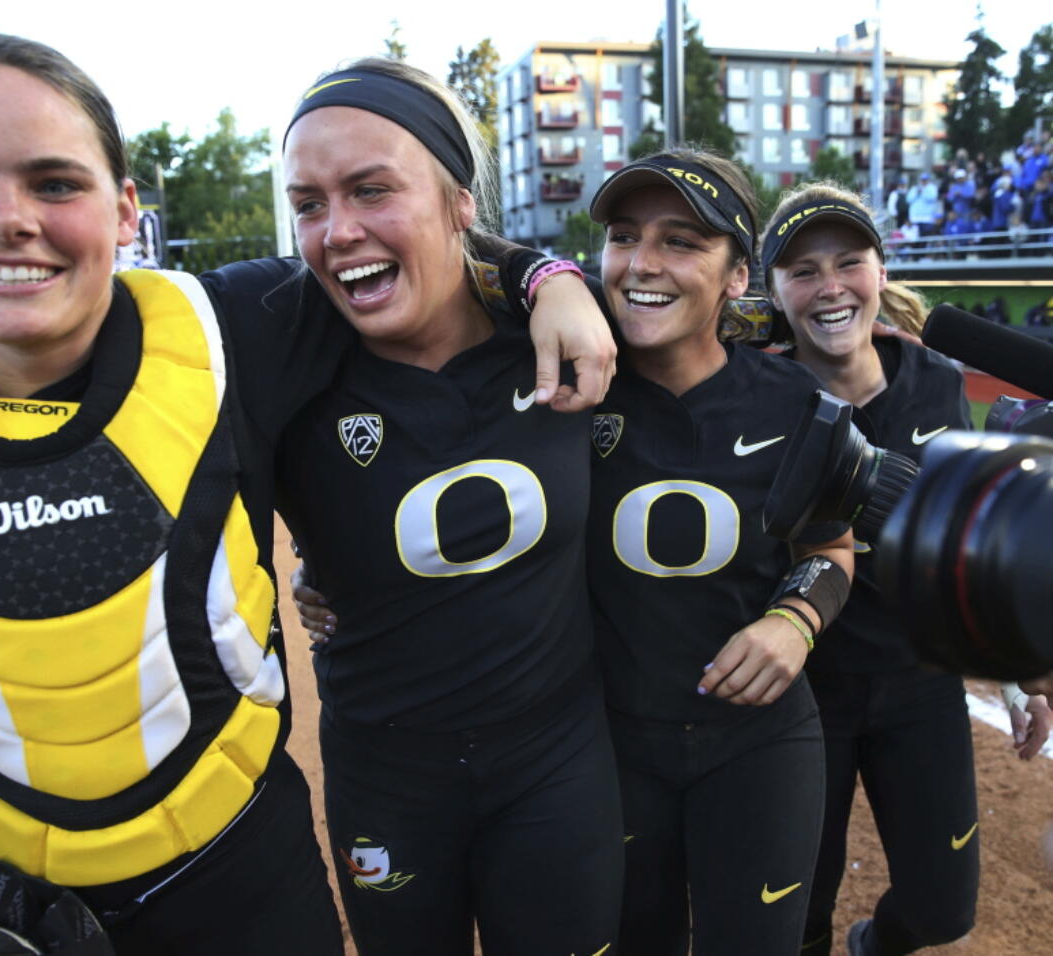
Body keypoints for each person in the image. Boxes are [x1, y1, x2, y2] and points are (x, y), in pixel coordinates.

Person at [0, 33, 613, 956]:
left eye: (53, 183)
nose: (7, 218)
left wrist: (552, 274)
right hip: (24, 895)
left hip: (261, 868)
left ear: (124, 210)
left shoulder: (235, 333)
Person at [274, 59, 624, 956]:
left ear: (460, 200)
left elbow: (748, 329)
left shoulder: (563, 334)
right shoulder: (284, 346)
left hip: (556, 760)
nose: (338, 231)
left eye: (371, 190)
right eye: (309, 203)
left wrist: (551, 275)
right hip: (386, 773)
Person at [760, 182, 1052, 956]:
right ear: (773, 294)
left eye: (848, 262)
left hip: (919, 685)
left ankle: (873, 945)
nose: (830, 286)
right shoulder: (759, 398)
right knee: (797, 917)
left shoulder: (937, 383)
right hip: (801, 699)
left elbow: (974, 535)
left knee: (942, 911)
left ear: (880, 273)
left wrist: (1019, 674)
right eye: (802, 271)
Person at [584, 150, 854, 956]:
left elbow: (833, 548)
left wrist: (794, 622)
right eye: (625, 237)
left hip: (758, 745)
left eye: (682, 241)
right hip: (606, 745)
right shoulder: (561, 386)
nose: (642, 264)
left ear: (739, 277)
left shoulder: (800, 402)